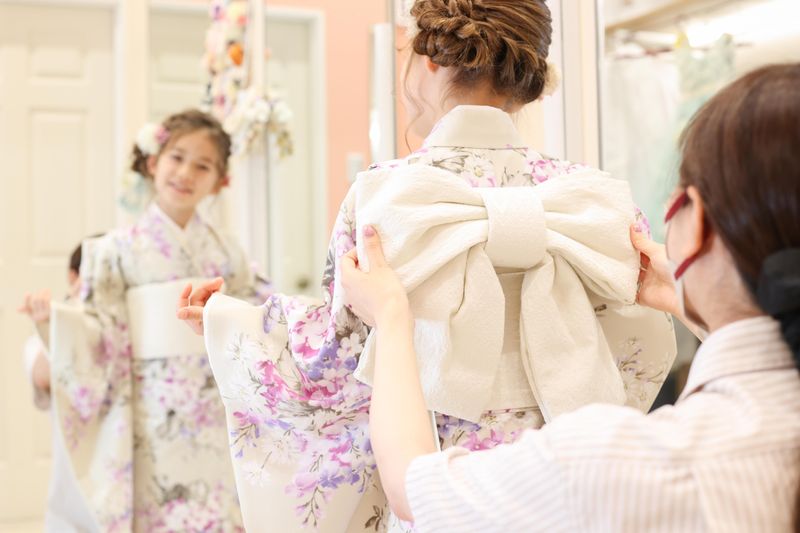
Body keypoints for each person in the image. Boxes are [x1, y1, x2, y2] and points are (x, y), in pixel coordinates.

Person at [178, 1, 675, 531]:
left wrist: (229, 324)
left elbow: (334, 355)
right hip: (569, 488)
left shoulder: (386, 197)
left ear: (431, 58)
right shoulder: (592, 199)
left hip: (437, 490)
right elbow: (641, 341)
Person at [340, 63, 800, 531]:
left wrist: (392, 317)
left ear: (695, 220)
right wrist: (694, 300)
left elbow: (411, 488)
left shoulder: (610, 464)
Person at [47, 109, 270, 532]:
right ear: (153, 161)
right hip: (148, 410)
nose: (185, 173)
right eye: (177, 158)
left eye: (202, 166)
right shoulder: (115, 251)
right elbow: (100, 334)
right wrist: (55, 324)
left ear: (219, 181)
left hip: (215, 406)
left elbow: (256, 317)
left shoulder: (230, 253)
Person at [18, 240, 96, 532]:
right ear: (73, 277)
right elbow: (42, 375)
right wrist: (62, 323)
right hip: (72, 501)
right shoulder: (45, 335)